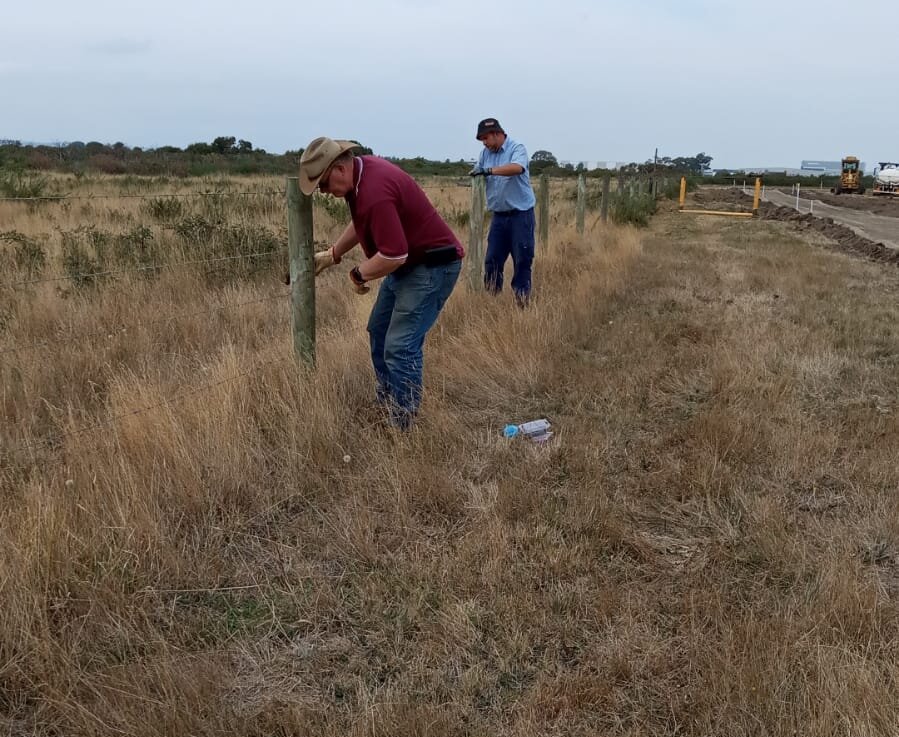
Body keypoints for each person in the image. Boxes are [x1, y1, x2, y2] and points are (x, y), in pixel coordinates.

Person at [299, 137, 464, 430]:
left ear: (338, 169)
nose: (324, 192)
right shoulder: (363, 174)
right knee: (379, 330)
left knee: (401, 346)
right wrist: (334, 253)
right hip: (411, 264)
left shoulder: (374, 190)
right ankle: (388, 399)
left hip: (432, 267)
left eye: (323, 184)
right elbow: (363, 221)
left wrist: (359, 273)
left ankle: (404, 423)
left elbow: (393, 254)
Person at [469, 118, 536, 306]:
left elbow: (517, 167)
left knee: (522, 258)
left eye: (486, 138)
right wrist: (477, 173)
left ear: (498, 134)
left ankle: (522, 301)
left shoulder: (517, 148)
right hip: (499, 217)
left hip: (521, 215)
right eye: (481, 139)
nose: (484, 142)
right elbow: (479, 171)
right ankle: (492, 301)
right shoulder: (485, 153)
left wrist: (489, 170)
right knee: (492, 260)